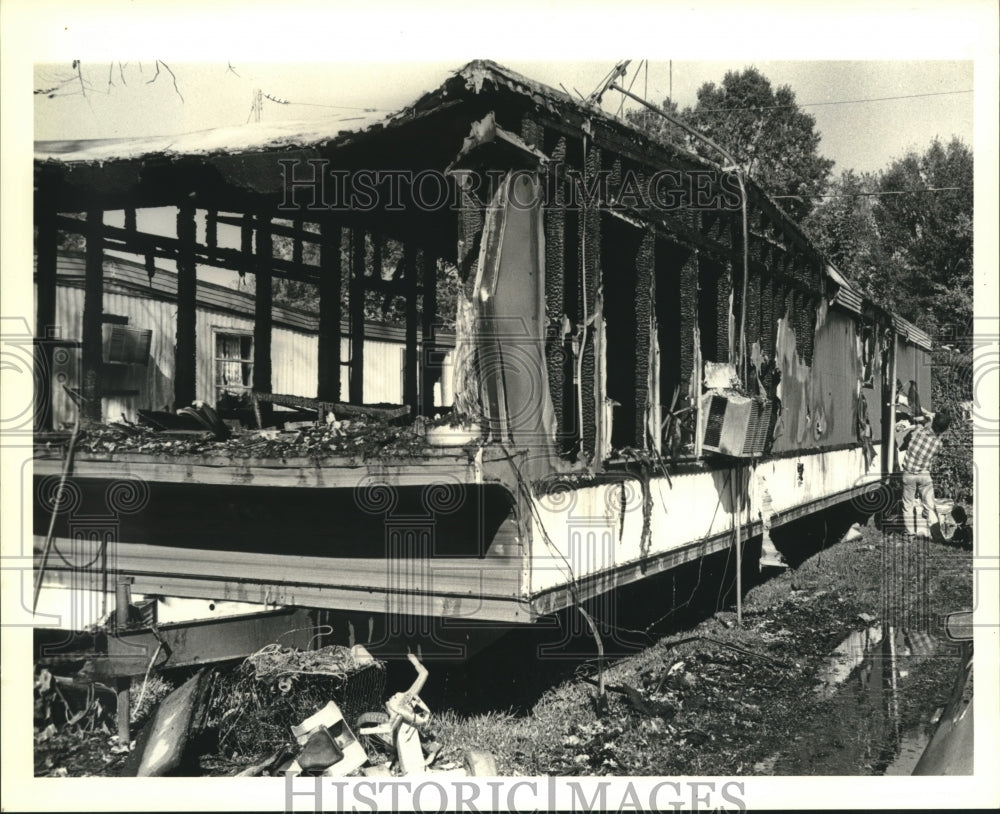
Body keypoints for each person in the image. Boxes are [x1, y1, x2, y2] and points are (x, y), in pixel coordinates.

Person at [900, 410, 951, 535]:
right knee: (929, 505)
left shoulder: (918, 432)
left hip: (909, 474)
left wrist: (930, 416)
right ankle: (936, 533)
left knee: (908, 504)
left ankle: (910, 533)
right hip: (924, 474)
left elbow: (926, 421)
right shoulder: (938, 443)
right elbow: (934, 427)